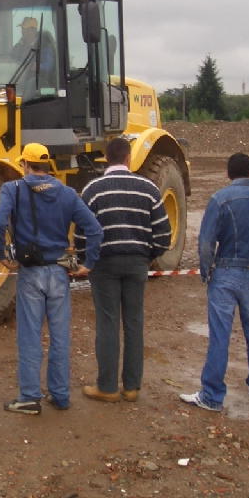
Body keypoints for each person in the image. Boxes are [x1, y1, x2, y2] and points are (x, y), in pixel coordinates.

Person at [0, 142, 103, 414]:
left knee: (30, 336)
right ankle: (60, 395)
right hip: (59, 272)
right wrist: (88, 263)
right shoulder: (66, 193)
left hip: (30, 271)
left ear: (25, 165)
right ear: (47, 165)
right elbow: (95, 229)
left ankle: (29, 397)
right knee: (60, 336)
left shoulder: (13, 189)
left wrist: (1, 253)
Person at [180, 153, 249, 412]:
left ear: (229, 173)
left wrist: (207, 272)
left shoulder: (220, 198)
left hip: (225, 273)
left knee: (219, 338)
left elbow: (206, 242)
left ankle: (212, 396)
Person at [77, 137, 172, 402]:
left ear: (106, 159)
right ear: (129, 159)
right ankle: (132, 387)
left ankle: (106, 388)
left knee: (108, 324)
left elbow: (82, 233)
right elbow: (164, 233)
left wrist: (88, 260)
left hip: (104, 265)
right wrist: (147, 256)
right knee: (134, 323)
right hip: (137, 264)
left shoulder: (93, 190)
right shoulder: (148, 189)